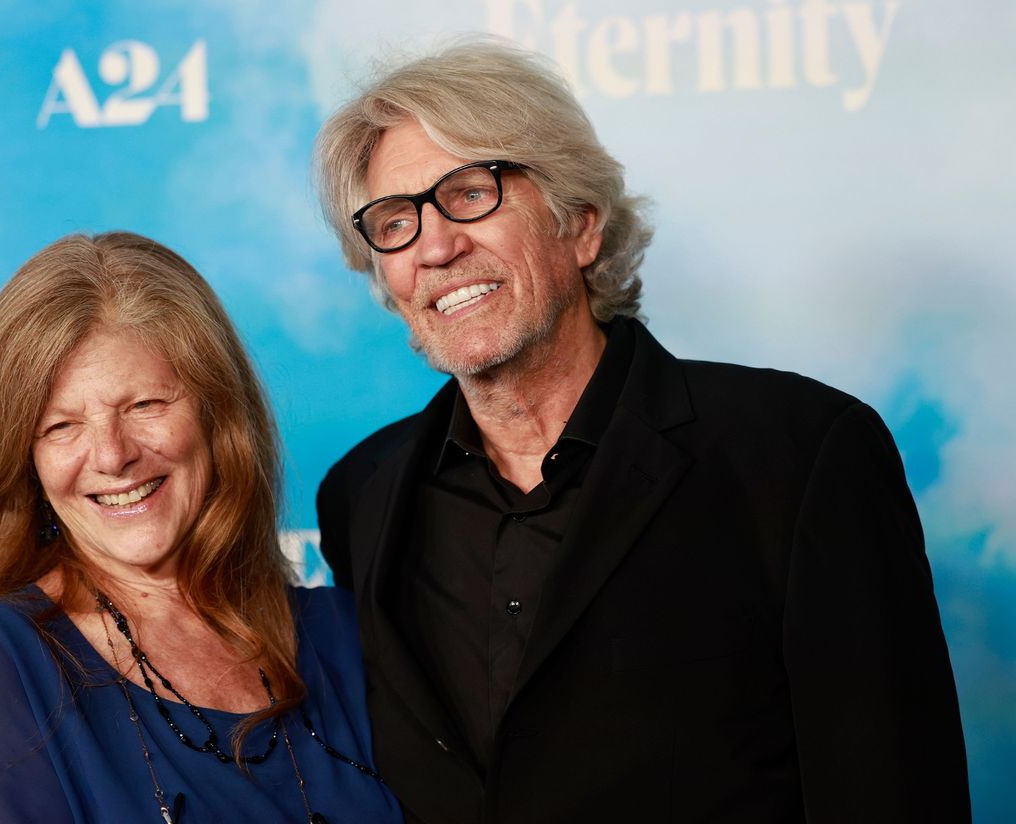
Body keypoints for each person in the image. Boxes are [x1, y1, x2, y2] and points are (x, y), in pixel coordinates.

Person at [312, 40, 971, 823]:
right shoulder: (362, 494)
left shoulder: (801, 455)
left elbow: (892, 790)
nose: (435, 245)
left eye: (469, 194)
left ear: (582, 226)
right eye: (394, 221)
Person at [0, 232, 402, 823]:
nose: (111, 455)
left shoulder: (344, 636)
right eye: (61, 426)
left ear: (218, 416)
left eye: (144, 406)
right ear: (25, 462)